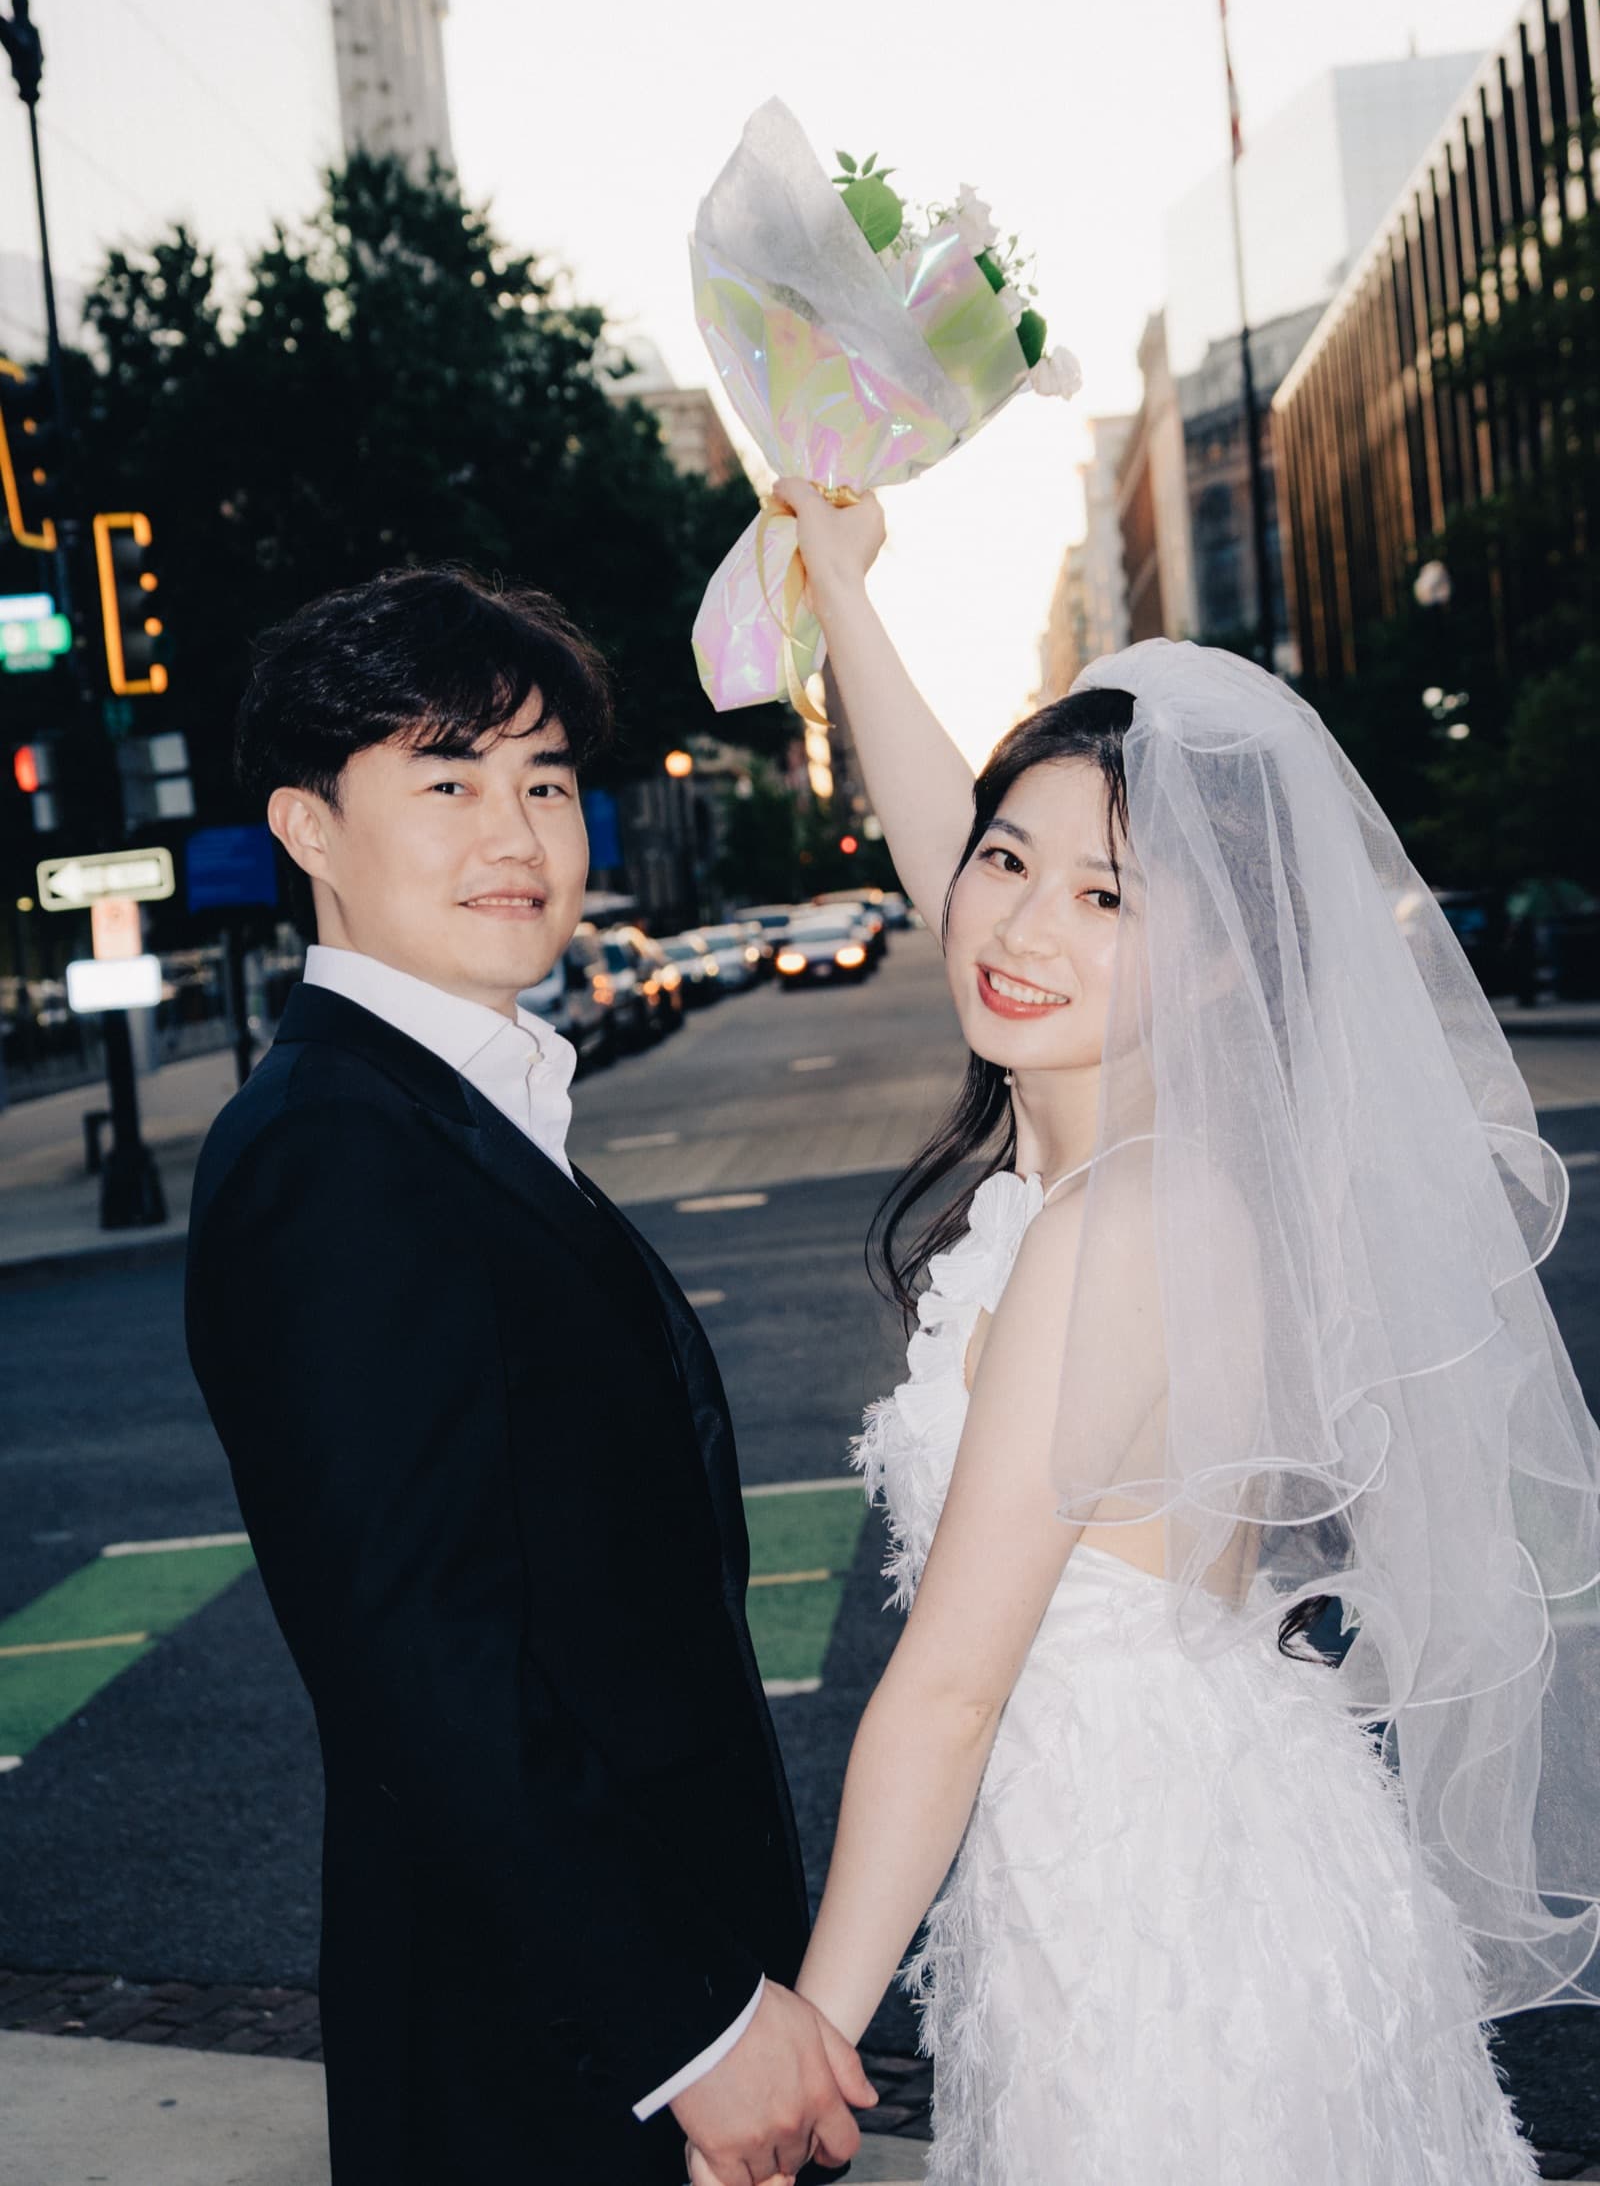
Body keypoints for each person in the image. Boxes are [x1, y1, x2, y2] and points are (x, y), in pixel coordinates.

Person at [704, 482, 1600, 2186]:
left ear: (1220, 964)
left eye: (1109, 898)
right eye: (1007, 864)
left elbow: (951, 1691)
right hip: (1185, 1849)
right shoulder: (1133, 1155)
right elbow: (955, 850)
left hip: (1160, 1936)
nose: (1021, 926)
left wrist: (809, 2054)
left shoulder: (1119, 1227)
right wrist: (842, 584)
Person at [185, 566, 874, 2186]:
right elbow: (423, 1663)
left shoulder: (444, 1113)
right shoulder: (335, 1155)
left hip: (583, 2025)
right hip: (547, 2069)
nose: (516, 835)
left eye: (545, 783)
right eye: (447, 782)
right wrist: (694, 2027)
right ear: (307, 828)